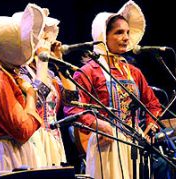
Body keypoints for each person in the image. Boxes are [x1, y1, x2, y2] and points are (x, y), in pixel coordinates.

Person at [64, 1, 167, 178]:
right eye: (119, 32)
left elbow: (153, 104)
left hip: (136, 146)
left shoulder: (133, 72)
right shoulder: (88, 71)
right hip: (106, 146)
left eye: (127, 32)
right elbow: (73, 108)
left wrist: (151, 126)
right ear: (103, 36)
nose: (126, 37)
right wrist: (99, 124)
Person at [0, 3, 64, 178]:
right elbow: (23, 129)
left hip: (12, 150)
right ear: (11, 45)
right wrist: (31, 95)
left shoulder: (6, 73)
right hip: (2, 155)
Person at [13, 8, 78, 166]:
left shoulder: (47, 72)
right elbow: (38, 99)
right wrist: (43, 60)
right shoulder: (17, 70)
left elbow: (72, 99)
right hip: (32, 140)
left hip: (52, 138)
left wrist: (60, 64)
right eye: (39, 33)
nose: (44, 39)